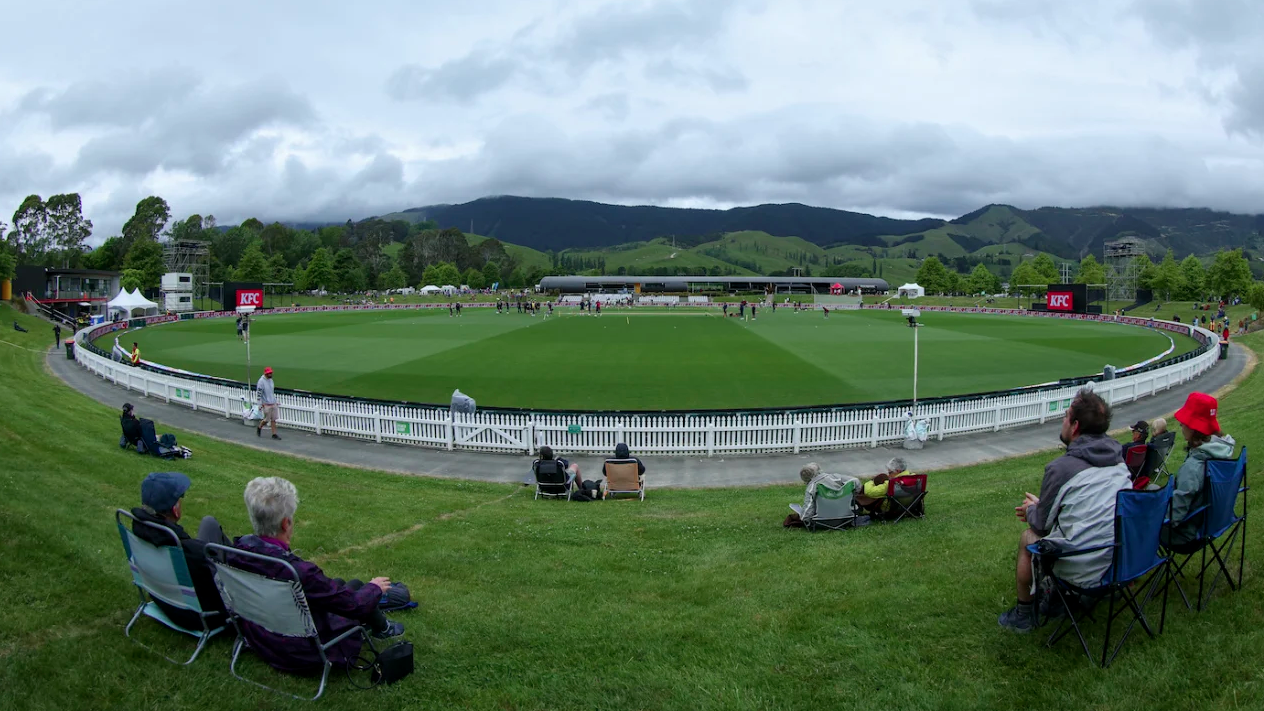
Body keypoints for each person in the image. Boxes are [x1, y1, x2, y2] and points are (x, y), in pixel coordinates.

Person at [227, 477, 403, 674]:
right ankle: (384, 628)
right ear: (286, 523)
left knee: (342, 584)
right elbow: (354, 605)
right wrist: (375, 587)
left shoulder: (237, 553)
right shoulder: (295, 571)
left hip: (261, 638)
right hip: (304, 652)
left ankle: (382, 623)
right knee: (356, 588)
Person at [998, 388, 1130, 633]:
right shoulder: (1119, 461)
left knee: (1028, 538)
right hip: (1119, 560)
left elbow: (1041, 526)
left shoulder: (1062, 468)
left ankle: (1024, 615)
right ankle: (1062, 598)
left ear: (1075, 426)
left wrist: (1031, 510)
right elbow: (1086, 508)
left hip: (1083, 565)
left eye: (1066, 415)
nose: (1063, 420)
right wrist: (1041, 507)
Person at [130, 471, 231, 630]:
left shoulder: (140, 533)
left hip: (165, 599)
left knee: (209, 523)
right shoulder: (189, 551)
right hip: (201, 615)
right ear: (175, 509)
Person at [1163, 393, 1236, 548]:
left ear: (1194, 428)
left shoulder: (1194, 466)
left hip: (1184, 536)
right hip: (1211, 526)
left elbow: (1173, 516)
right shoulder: (1222, 454)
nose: (1181, 424)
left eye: (1184, 421)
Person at [784, 462, 860, 527]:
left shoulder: (812, 487)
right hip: (847, 518)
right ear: (819, 470)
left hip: (822, 522)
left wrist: (802, 515)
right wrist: (854, 494)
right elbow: (855, 481)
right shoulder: (835, 478)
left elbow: (806, 515)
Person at [256, 366, 281, 440]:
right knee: (267, 419)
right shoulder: (261, 382)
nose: (270, 374)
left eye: (271, 373)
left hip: (273, 403)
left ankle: (274, 434)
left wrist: (275, 401)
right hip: (266, 404)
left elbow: (271, 392)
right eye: (269, 373)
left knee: (273, 419)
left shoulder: (271, 381)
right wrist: (259, 404)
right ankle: (259, 427)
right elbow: (259, 394)